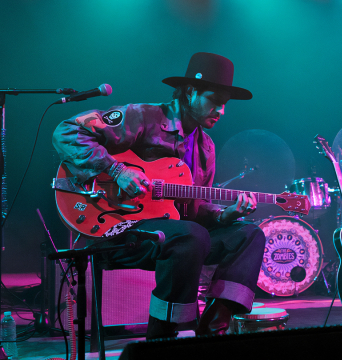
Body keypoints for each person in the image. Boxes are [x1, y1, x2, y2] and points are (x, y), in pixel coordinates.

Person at [52, 52, 266, 339]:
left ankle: (213, 328)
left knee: (250, 234)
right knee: (190, 236)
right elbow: (66, 132)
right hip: (117, 228)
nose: (221, 111)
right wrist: (117, 171)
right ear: (190, 91)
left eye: (225, 104)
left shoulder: (206, 148)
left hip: (173, 235)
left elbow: (194, 210)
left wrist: (227, 215)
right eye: (215, 100)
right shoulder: (143, 117)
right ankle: (161, 338)